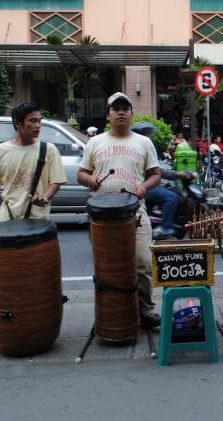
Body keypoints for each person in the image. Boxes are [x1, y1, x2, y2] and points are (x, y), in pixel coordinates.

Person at [77, 92, 162, 329]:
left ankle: (146, 310)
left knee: (143, 263)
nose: (121, 112)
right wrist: (90, 179)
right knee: (107, 270)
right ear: (108, 115)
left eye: (126, 108)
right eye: (116, 109)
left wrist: (144, 186)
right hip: (103, 220)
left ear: (132, 113)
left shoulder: (143, 142)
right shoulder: (95, 143)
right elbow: (80, 174)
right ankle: (110, 315)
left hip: (136, 214)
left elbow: (156, 175)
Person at [0, 102, 67, 234]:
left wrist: (45, 197)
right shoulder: (0, 151)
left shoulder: (48, 150)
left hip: (38, 219)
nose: (38, 126)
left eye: (40, 121)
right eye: (33, 121)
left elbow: (56, 182)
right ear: (18, 123)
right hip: (8, 217)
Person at [131, 121, 192, 240]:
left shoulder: (144, 148)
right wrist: (180, 174)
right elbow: (159, 172)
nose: (149, 137)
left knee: (175, 191)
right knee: (170, 197)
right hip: (143, 188)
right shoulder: (138, 150)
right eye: (147, 134)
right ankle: (165, 228)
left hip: (148, 185)